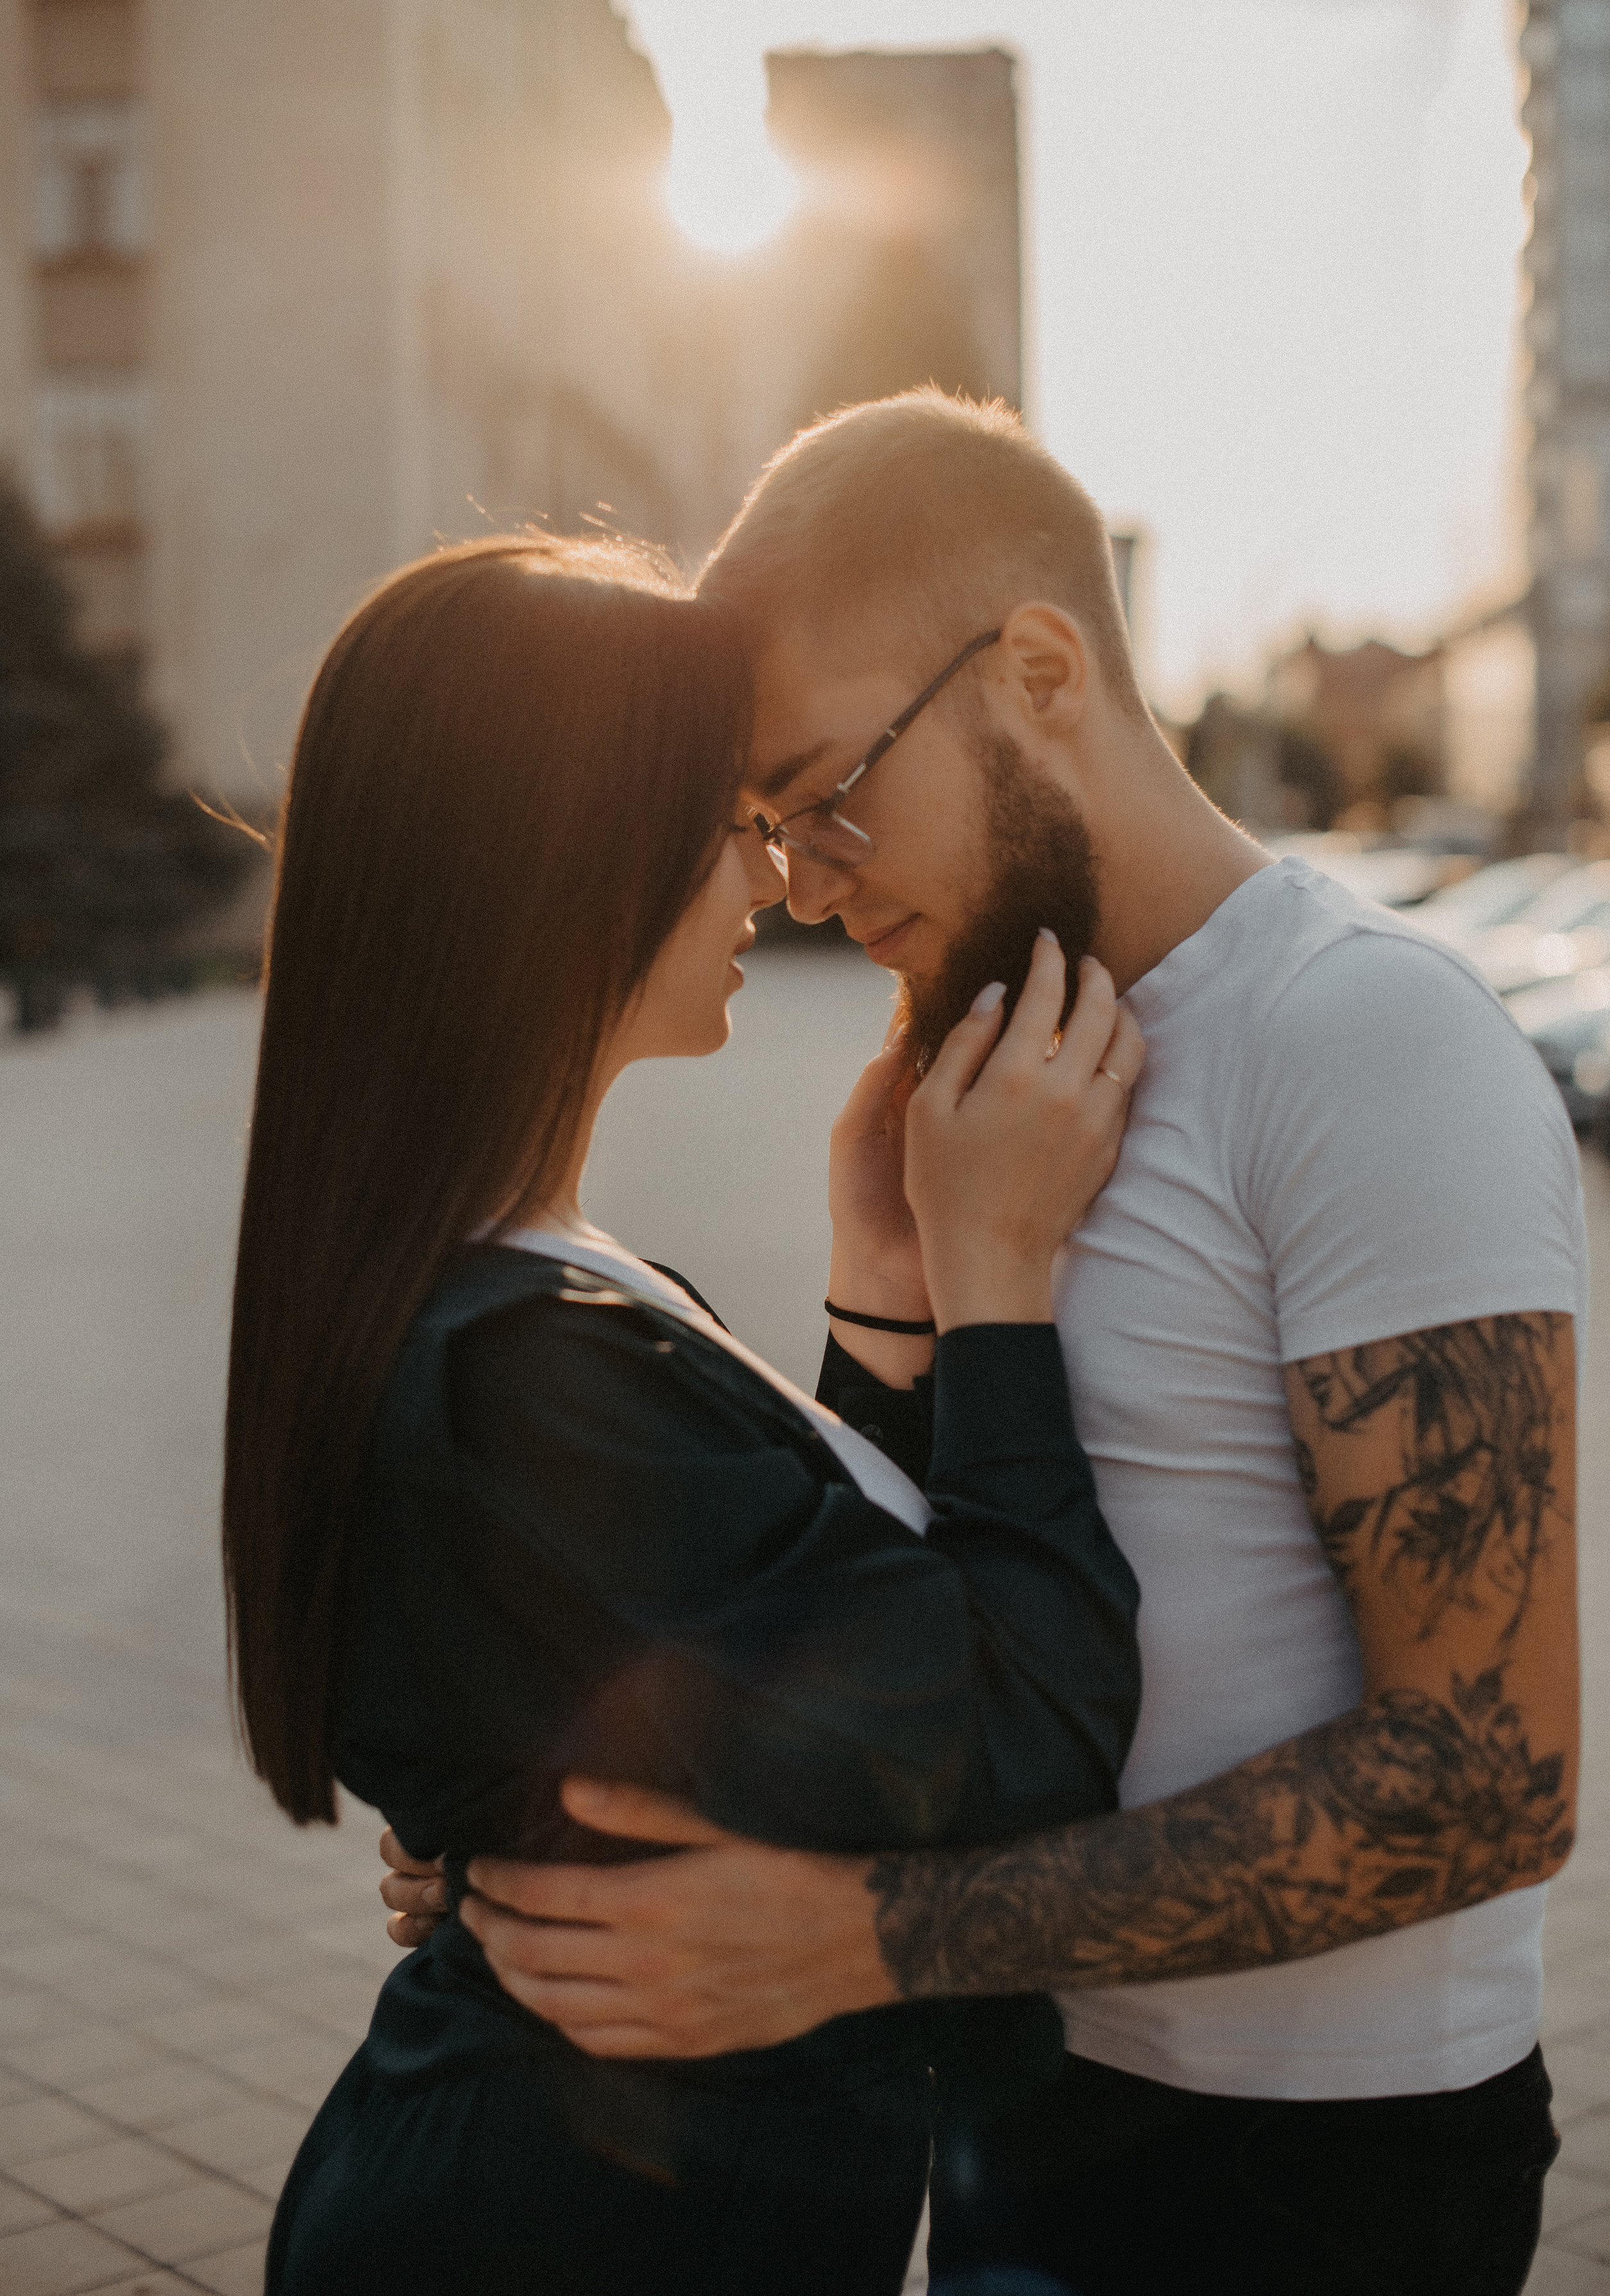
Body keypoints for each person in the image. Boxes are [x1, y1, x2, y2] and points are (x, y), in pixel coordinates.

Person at [385, 395, 1584, 2296]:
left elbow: (1492, 1777)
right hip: (1015, 2093)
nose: (801, 880)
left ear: (1038, 669)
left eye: (824, 788)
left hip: (1312, 2173)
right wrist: (556, 1822)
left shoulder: (1372, 1048)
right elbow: (912, 1633)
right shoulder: (982, 1074)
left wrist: (864, 1935)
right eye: (764, 827)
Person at [223, 532, 1148, 2296]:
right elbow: (1018, 1732)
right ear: (570, 855)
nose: (781, 876)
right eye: (735, 815)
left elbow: (766, 1633)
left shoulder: (527, 1278)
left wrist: (883, 1302)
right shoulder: (513, 1372)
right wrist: (1001, 1275)